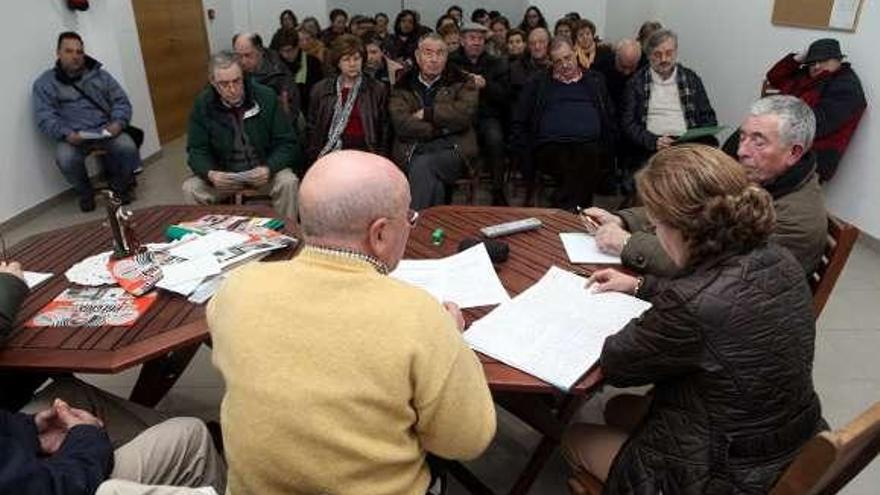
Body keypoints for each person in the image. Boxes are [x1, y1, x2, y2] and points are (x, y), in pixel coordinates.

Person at [208, 149, 496, 495]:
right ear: (379, 234)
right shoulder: (421, 317)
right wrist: (452, 341)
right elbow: (465, 441)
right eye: (409, 216)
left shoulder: (236, 289)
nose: (411, 223)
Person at [562, 144, 825, 494]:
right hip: (789, 442)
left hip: (724, 475)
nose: (654, 232)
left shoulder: (690, 302)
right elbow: (721, 302)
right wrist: (641, 285)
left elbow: (619, 363)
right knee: (621, 410)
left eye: (656, 224)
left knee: (575, 435)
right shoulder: (780, 259)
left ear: (683, 227)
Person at [1, 262, 226, 495]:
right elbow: (56, 487)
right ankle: (197, 464)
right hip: (57, 480)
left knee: (70, 394)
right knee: (191, 435)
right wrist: (86, 439)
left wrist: (29, 430)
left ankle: (169, 460)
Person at [585, 95, 827, 277]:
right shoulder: (762, 179)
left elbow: (710, 268)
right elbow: (687, 206)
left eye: (759, 142)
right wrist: (624, 221)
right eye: (743, 137)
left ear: (794, 153)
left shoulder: (795, 220)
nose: (742, 151)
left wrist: (628, 242)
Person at [183, 52, 302, 220]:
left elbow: (288, 143)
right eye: (224, 84)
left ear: (243, 76)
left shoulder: (265, 96)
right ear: (212, 82)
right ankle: (210, 239)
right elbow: (196, 150)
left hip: (264, 173)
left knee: (288, 182)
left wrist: (269, 168)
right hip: (224, 177)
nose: (232, 89)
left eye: (236, 81)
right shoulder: (203, 105)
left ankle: (289, 234)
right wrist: (211, 174)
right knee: (191, 188)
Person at [33, 31, 140, 212]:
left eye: (79, 52)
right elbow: (45, 117)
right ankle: (85, 193)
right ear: (58, 53)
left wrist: (117, 123)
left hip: (106, 130)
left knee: (127, 146)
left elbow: (122, 102)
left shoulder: (101, 76)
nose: (75, 56)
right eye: (69, 51)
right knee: (65, 158)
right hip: (73, 137)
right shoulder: (45, 83)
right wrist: (66, 133)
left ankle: (120, 188)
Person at [511, 36, 616, 210]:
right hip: (550, 145)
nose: (565, 65)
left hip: (589, 143)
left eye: (567, 58)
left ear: (575, 53)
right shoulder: (538, 83)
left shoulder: (595, 80)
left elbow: (608, 115)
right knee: (569, 162)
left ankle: (563, 206)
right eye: (558, 62)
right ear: (551, 63)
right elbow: (520, 119)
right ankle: (578, 212)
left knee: (588, 157)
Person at [389, 34, 478, 210]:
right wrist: (440, 129)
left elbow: (464, 115)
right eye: (428, 53)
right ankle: (431, 227)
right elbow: (401, 122)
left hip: (454, 149)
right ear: (417, 56)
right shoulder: (403, 84)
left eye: (440, 53)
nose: (434, 59)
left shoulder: (462, 80)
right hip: (414, 147)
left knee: (423, 165)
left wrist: (428, 114)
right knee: (430, 177)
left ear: (446, 57)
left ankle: (414, 224)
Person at [765, 38, 866, 181]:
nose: (817, 66)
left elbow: (817, 125)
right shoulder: (807, 75)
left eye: (823, 60)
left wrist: (774, 124)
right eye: (812, 62)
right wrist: (798, 58)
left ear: (838, 60)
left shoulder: (847, 86)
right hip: (783, 143)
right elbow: (774, 77)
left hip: (811, 157)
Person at [621, 29, 717, 166]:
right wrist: (653, 141)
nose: (664, 59)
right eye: (657, 55)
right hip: (651, 146)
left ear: (676, 52)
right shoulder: (636, 83)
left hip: (686, 146)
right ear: (648, 56)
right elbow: (628, 124)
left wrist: (694, 138)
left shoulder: (691, 79)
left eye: (669, 53)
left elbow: (708, 117)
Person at [450, 23, 510, 206]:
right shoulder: (451, 61)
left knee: (495, 138)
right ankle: (448, 187)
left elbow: (504, 95)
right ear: (462, 40)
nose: (476, 43)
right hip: (458, 115)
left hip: (486, 115)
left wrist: (486, 86)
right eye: (472, 38)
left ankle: (498, 190)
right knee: (448, 140)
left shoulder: (496, 63)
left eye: (480, 39)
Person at [307, 35, 388, 163]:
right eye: (346, 59)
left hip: (366, 152)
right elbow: (312, 127)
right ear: (337, 62)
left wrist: (381, 158)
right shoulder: (321, 89)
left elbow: (384, 129)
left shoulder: (377, 89)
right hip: (330, 153)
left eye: (356, 59)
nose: (352, 64)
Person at [233, 32, 301, 120]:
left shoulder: (279, 73)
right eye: (238, 56)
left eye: (248, 55)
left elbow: (291, 114)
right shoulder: (233, 70)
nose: (243, 61)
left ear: (260, 51)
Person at [275, 28, 324, 117]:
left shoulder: (313, 63)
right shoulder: (276, 66)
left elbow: (319, 93)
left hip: (309, 112)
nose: (285, 55)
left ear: (297, 46)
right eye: (282, 51)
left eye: (289, 50)